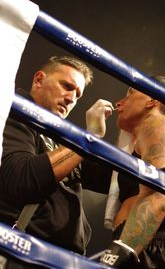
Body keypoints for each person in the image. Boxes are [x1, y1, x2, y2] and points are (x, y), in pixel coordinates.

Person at [0, 55, 115, 257]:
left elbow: (116, 180)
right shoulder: (12, 112)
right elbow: (21, 178)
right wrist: (89, 137)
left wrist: (138, 128)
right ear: (38, 80)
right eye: (66, 86)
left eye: (78, 95)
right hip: (22, 251)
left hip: (63, 258)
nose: (71, 99)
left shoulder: (63, 140)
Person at [100, 76, 165, 268]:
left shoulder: (160, 125)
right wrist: (93, 133)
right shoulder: (146, 137)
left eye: (130, 92)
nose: (119, 102)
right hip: (145, 241)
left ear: (152, 100)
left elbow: (157, 194)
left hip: (150, 243)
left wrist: (121, 252)